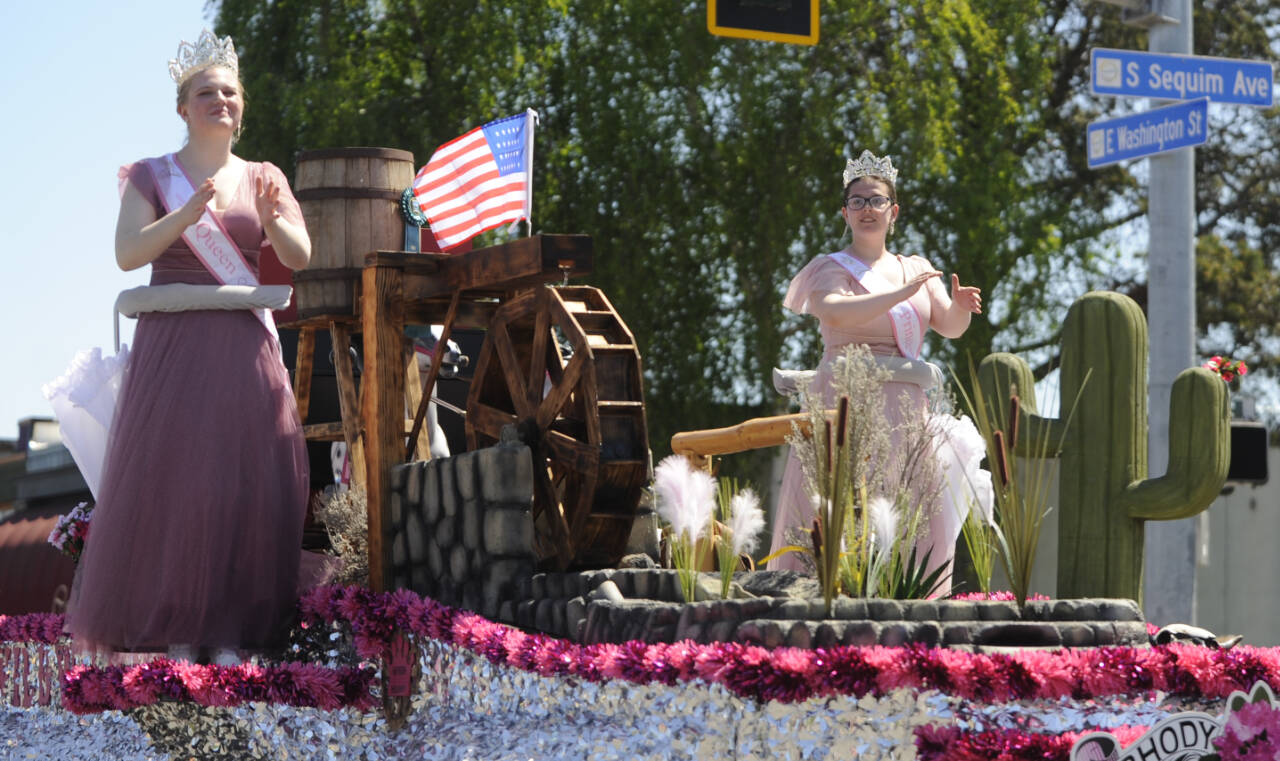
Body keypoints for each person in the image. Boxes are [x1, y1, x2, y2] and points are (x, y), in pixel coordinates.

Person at [65, 30, 311, 664]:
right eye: (206, 92)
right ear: (183, 107)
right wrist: (185, 214)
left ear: (242, 105)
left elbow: (299, 257)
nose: (220, 101)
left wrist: (276, 217)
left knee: (238, 483)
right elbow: (127, 255)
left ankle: (231, 634)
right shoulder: (152, 175)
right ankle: (176, 634)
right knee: (177, 482)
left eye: (230, 92)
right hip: (174, 349)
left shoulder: (264, 176)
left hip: (241, 350)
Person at [767, 150, 985, 593]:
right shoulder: (830, 267)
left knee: (906, 514)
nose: (868, 209)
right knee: (837, 514)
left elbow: (949, 327)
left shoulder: (917, 269)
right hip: (845, 405)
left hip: (906, 413)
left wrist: (961, 309)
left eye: (877, 200)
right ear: (845, 213)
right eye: (858, 201)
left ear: (894, 211)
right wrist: (898, 294)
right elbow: (835, 313)